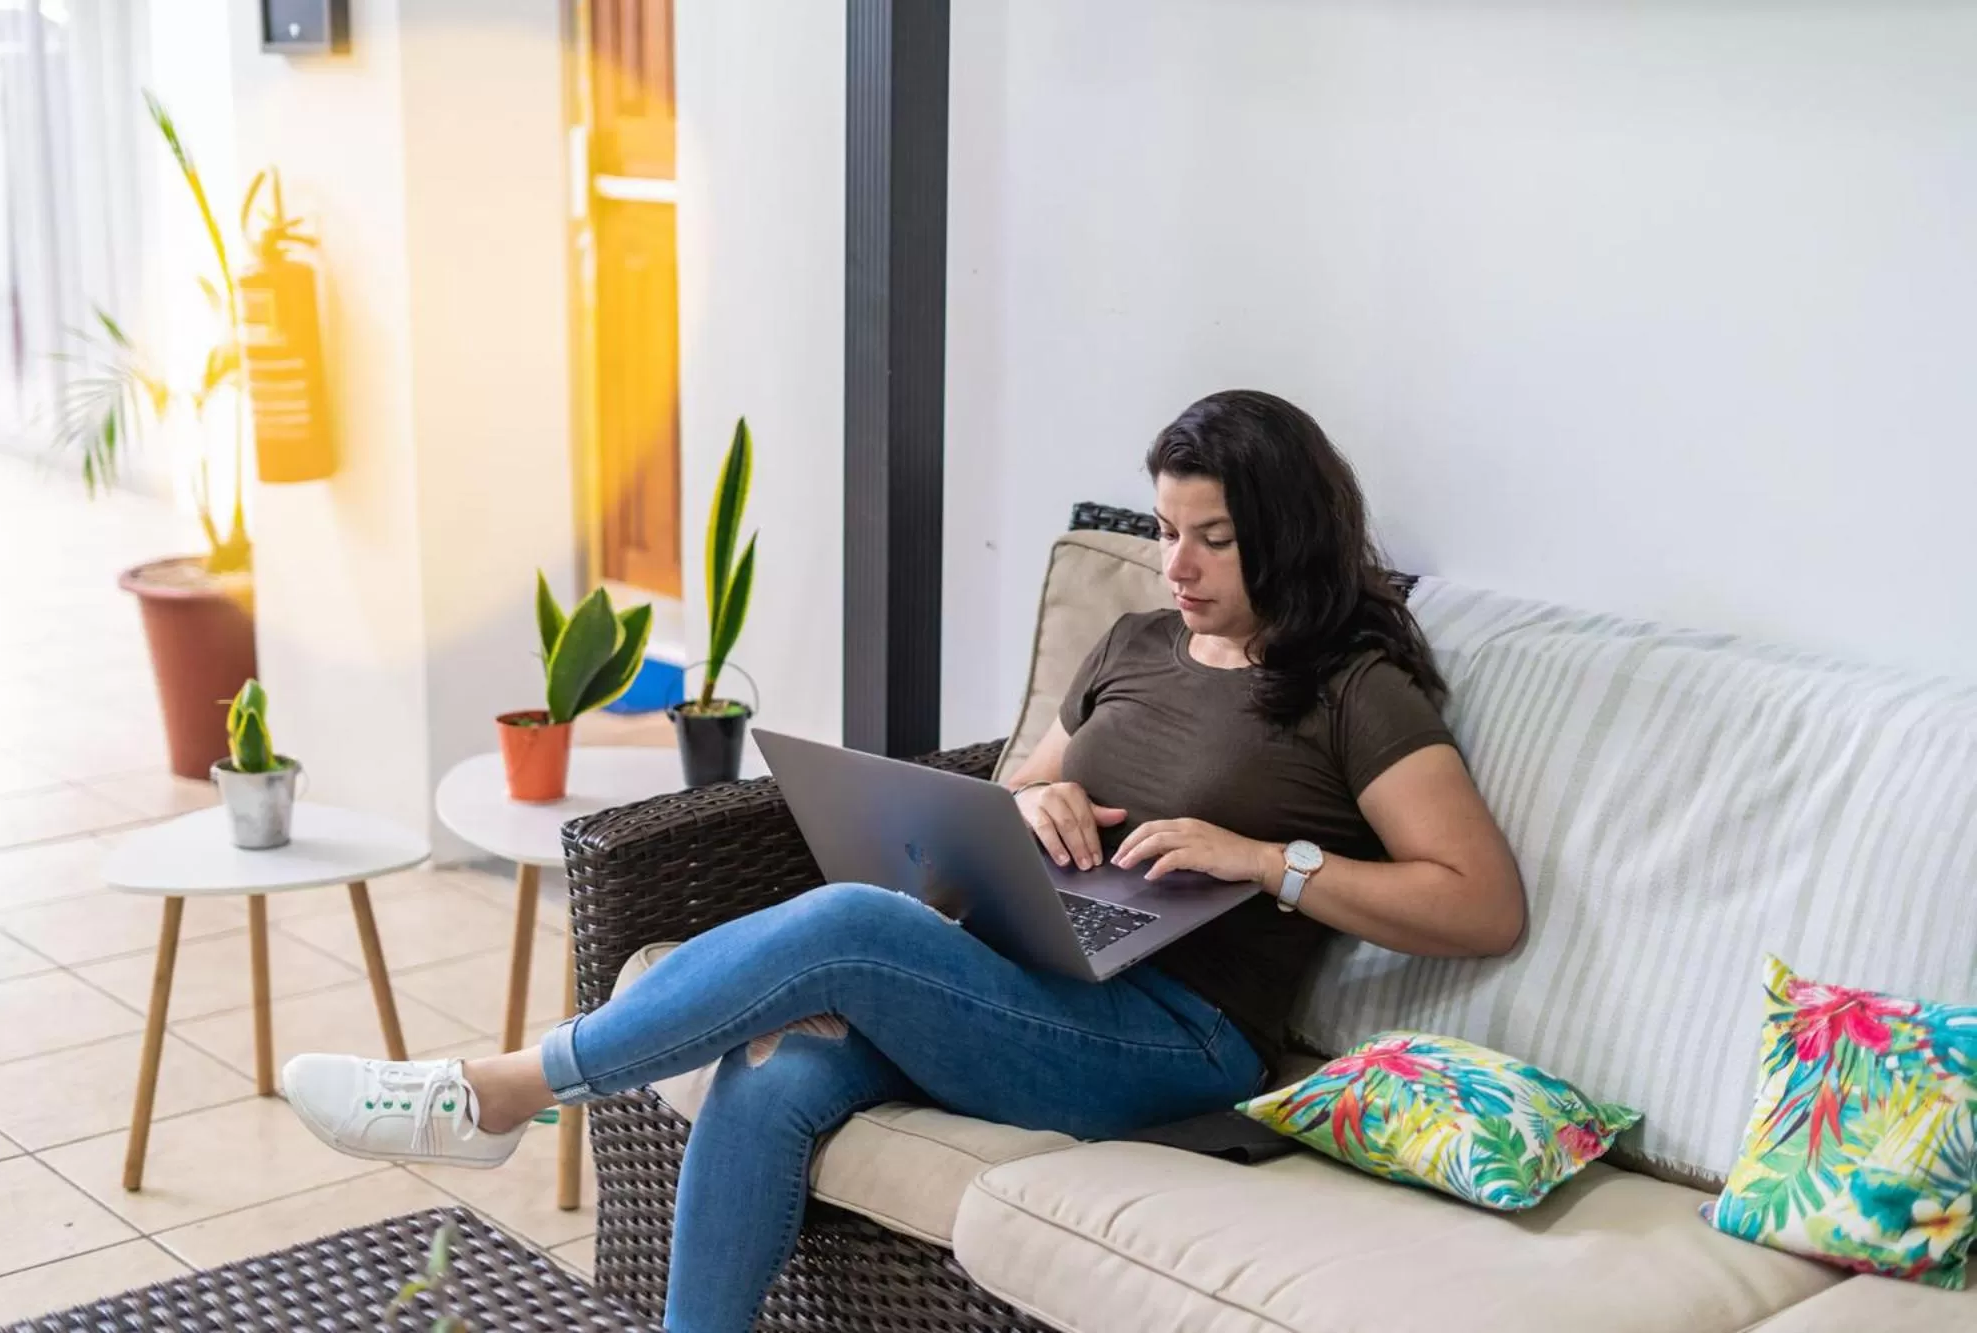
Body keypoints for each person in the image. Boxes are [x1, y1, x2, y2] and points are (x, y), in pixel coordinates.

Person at [281, 389, 1525, 1333]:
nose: (1177, 566)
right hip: (1029, 968)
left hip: (1172, 1034)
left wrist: (1261, 859)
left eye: (1214, 539)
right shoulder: (1135, 642)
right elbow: (1007, 794)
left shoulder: (1350, 691)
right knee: (772, 1065)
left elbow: (1479, 903)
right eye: (1164, 529)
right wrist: (1035, 803)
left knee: (850, 927)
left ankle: (499, 1090)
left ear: (1287, 540)